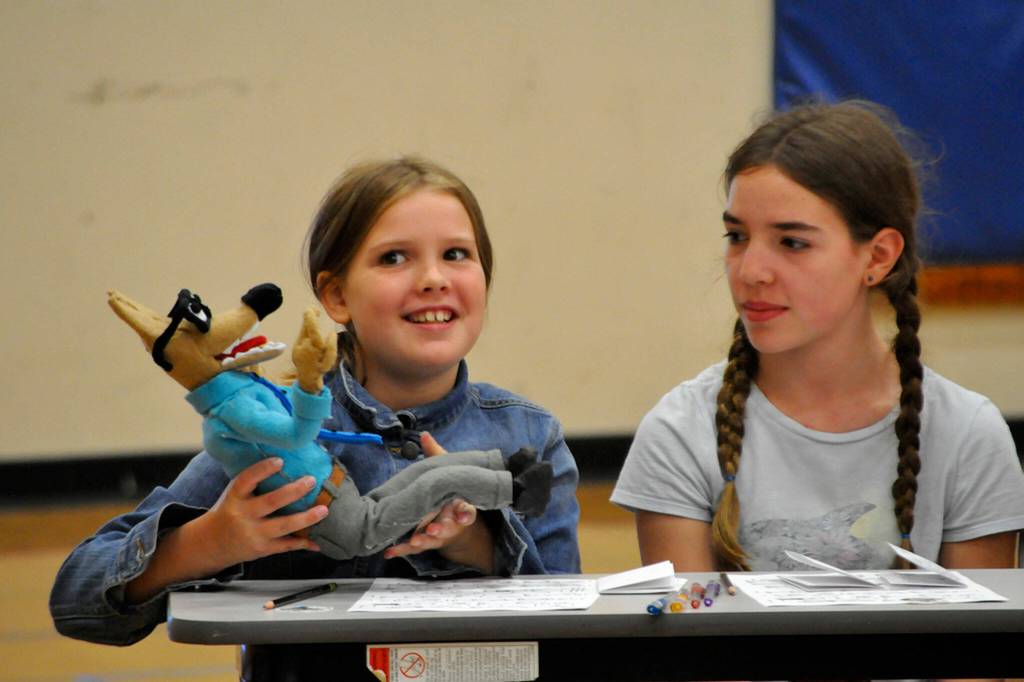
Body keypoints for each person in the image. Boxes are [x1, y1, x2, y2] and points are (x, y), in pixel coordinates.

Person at [50, 157, 581, 646]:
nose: (434, 279)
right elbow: (76, 599)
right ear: (336, 297)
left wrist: (477, 546)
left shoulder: (529, 437)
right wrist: (207, 542)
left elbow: (575, 632)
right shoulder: (271, 430)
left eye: (457, 254)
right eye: (394, 257)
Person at [611, 100, 1024, 573]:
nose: (751, 271)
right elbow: (688, 640)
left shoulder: (966, 434)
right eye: (737, 237)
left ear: (878, 257)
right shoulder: (680, 431)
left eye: (792, 242)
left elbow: (978, 640)